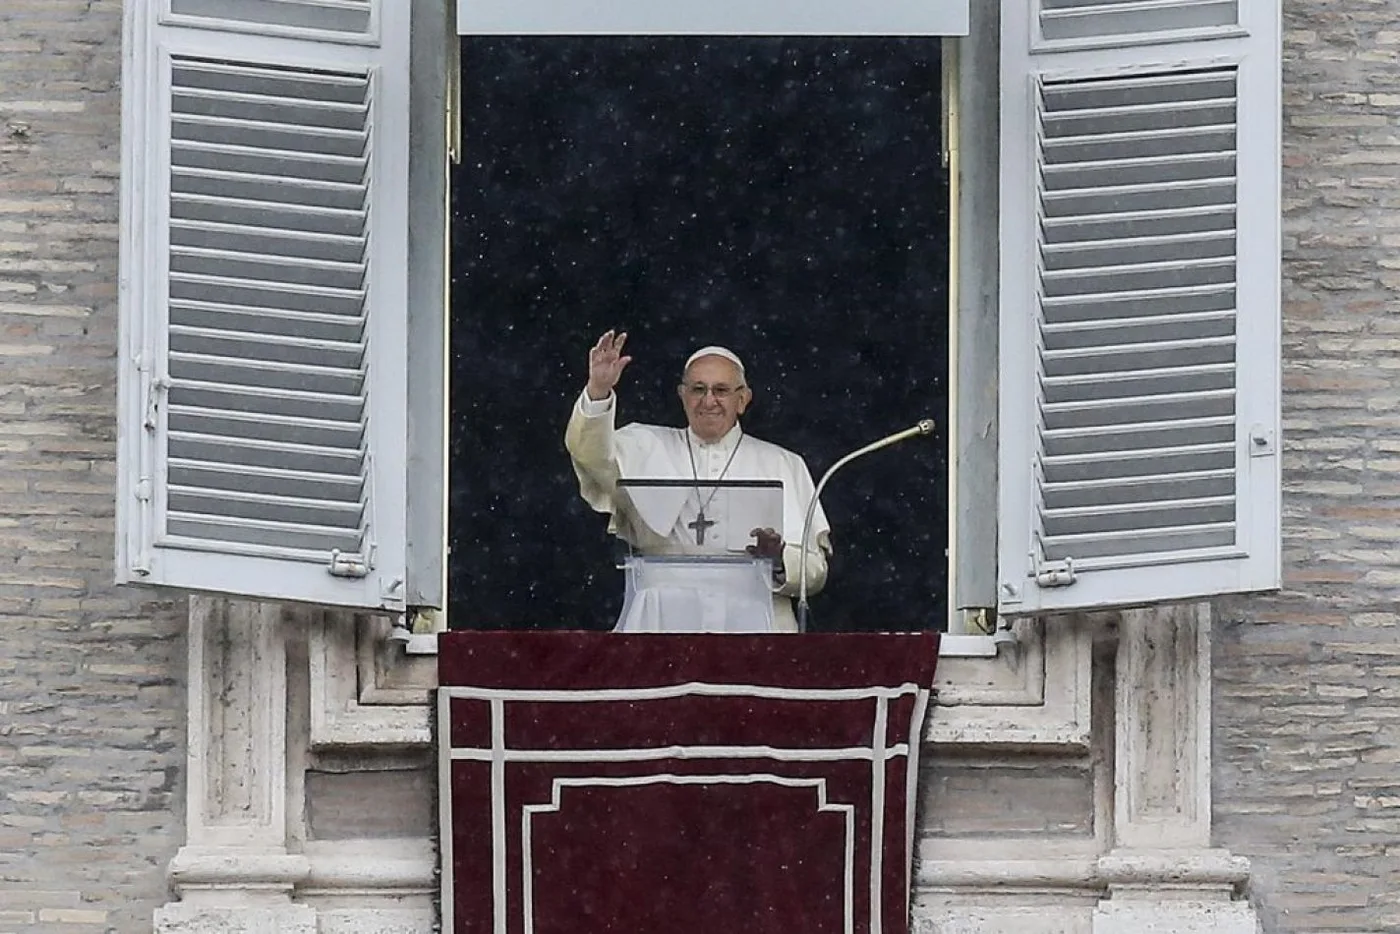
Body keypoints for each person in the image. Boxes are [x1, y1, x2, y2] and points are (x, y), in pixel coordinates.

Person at [565, 330, 831, 633]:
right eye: (698, 389)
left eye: (721, 390)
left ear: (742, 399)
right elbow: (589, 453)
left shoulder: (783, 463)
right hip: (660, 620)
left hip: (754, 622)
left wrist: (779, 558)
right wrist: (598, 390)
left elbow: (815, 572)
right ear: (682, 395)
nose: (709, 401)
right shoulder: (645, 443)